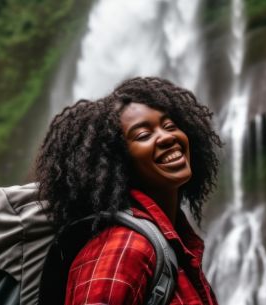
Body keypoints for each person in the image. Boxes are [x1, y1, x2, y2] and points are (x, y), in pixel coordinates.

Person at [34, 77, 221, 305]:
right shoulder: (123, 247)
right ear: (115, 161)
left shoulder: (171, 243)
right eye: (143, 135)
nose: (167, 137)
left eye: (170, 126)